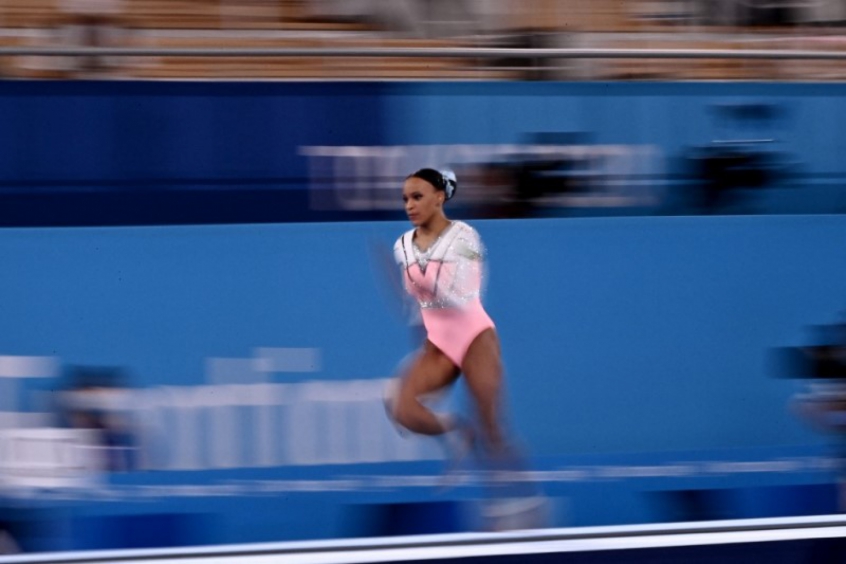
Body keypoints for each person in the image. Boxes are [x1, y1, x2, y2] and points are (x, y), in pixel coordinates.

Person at [385, 167, 508, 463]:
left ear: (439, 198)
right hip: (439, 346)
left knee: (493, 433)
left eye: (417, 197)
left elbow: (466, 293)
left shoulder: (466, 237)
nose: (410, 206)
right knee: (403, 410)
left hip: (474, 338)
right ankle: (458, 430)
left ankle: (517, 495)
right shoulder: (402, 246)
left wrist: (430, 286)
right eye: (405, 199)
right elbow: (417, 304)